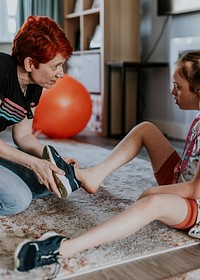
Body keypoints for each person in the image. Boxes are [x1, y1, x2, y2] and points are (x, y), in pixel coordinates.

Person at [14, 50, 200, 272]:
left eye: (178, 86)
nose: (172, 91)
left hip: (196, 204)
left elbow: (195, 190)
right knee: (146, 129)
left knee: (154, 203)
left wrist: (153, 192)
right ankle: (94, 175)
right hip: (182, 178)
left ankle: (62, 249)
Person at [0, 15, 83, 216]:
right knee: (17, 200)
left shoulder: (34, 85)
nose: (61, 74)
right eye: (55, 66)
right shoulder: (1, 71)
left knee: (45, 183)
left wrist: (53, 161)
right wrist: (33, 163)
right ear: (30, 64)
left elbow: (23, 136)